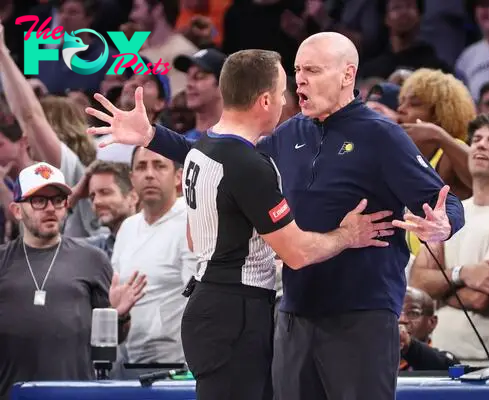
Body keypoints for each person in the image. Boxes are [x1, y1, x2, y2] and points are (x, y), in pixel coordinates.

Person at [86, 34, 464, 400]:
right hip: (294, 310)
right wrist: (151, 135)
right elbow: (222, 156)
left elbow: (445, 201)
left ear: (348, 75)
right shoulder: (290, 133)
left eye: (313, 70)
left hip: (360, 312)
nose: (300, 79)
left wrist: (443, 224)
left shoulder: (384, 136)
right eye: (298, 69)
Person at [0, 162, 146, 400]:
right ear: (17, 210)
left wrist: (118, 317)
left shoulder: (92, 260)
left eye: (58, 200)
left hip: (76, 394)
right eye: (39, 201)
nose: (50, 208)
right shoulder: (2, 261)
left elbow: (112, 343)